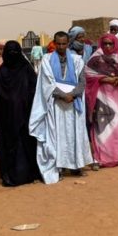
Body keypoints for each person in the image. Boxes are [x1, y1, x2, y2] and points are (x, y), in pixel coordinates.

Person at [29, 31, 93, 183]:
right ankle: (60, 167)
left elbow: (82, 81)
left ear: (68, 43)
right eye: (58, 44)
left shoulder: (77, 60)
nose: (61, 46)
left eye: (64, 44)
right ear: (54, 43)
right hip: (56, 105)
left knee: (75, 134)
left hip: (74, 104)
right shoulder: (47, 59)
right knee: (58, 136)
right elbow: (46, 83)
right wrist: (63, 95)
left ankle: (76, 166)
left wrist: (73, 94)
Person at [0, 41, 41, 186]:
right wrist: (13, 102)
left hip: (26, 115)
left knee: (28, 144)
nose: (12, 55)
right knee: (11, 145)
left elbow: (34, 89)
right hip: (8, 119)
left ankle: (31, 172)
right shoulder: (2, 71)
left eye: (15, 52)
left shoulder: (26, 69)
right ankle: (11, 176)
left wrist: (24, 102)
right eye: (10, 52)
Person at [85, 34, 118, 168]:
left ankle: (116, 156)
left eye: (110, 43)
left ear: (115, 44)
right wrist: (108, 79)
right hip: (101, 96)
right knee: (101, 125)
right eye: (105, 43)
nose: (107, 46)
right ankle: (100, 157)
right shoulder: (95, 58)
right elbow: (88, 75)